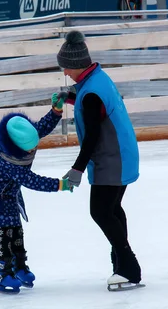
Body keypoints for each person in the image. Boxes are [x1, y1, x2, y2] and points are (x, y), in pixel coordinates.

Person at [56, 30, 143, 291]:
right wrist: (70, 96)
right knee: (112, 209)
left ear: (75, 65)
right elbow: (93, 104)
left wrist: (76, 169)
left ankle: (128, 267)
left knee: (101, 211)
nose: (65, 74)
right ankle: (121, 262)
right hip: (122, 154)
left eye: (65, 69)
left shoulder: (91, 94)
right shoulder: (96, 79)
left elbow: (92, 135)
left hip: (112, 158)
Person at [0, 100, 73, 293]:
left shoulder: (22, 136)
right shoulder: (8, 161)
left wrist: (56, 111)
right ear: (18, 147)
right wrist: (60, 185)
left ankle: (19, 266)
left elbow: (42, 127)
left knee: (17, 230)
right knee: (5, 232)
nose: (32, 151)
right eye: (29, 149)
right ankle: (4, 272)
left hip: (9, 193)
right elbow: (32, 180)